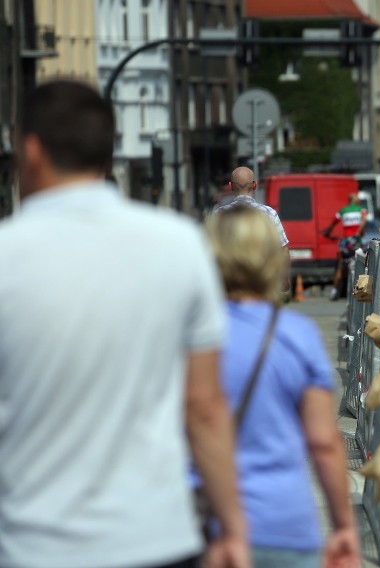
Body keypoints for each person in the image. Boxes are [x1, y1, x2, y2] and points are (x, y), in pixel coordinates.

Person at [0, 79, 249, 567]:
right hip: (156, 537)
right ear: (108, 155)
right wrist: (233, 528)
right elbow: (203, 407)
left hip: (32, 544)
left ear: (28, 149)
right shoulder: (179, 244)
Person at [205, 206, 361, 568]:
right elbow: (323, 443)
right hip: (283, 524)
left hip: (203, 522)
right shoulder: (296, 336)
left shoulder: (189, 338)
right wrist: (343, 526)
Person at [215, 166, 290, 291]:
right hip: (260, 282)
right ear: (254, 185)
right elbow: (283, 251)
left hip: (228, 286)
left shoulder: (219, 214)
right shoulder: (269, 213)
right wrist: (283, 279)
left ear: (231, 186)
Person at [323, 193, 367, 300]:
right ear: (356, 200)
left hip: (346, 243)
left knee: (340, 265)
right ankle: (361, 291)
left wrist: (328, 232)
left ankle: (334, 291)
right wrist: (358, 232)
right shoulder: (361, 209)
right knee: (362, 264)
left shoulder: (343, 210)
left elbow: (333, 222)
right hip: (356, 241)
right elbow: (364, 220)